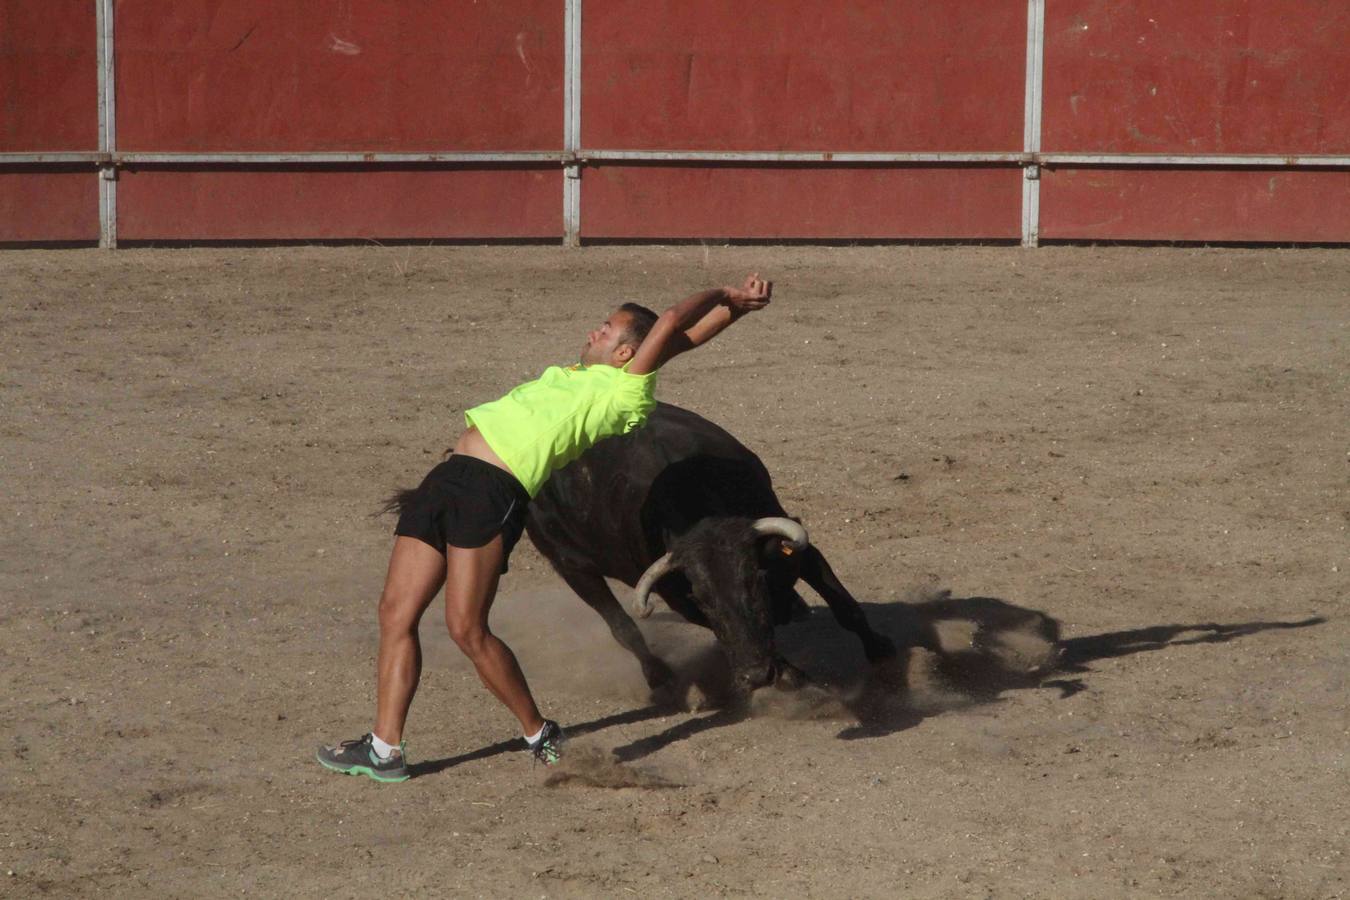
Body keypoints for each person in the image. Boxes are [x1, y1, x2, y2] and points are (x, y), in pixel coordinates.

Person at [316, 273, 773, 782]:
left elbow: (670, 324)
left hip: (492, 491)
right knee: (394, 613)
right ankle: (384, 748)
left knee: (467, 629)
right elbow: (681, 338)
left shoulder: (622, 394)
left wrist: (723, 294)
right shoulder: (584, 375)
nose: (595, 331)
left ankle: (540, 735)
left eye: (607, 329)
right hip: (448, 478)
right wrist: (737, 312)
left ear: (626, 354)